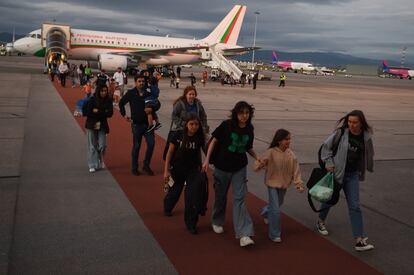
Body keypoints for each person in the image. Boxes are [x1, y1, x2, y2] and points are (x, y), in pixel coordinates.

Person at [202, 101, 260, 247]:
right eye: (241, 113)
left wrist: (258, 157)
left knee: (239, 199)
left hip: (239, 168)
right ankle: (217, 220)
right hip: (222, 167)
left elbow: (248, 147)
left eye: (247, 113)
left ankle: (244, 234)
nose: (244, 116)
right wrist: (207, 160)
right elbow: (213, 141)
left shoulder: (249, 128)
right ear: (236, 113)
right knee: (221, 197)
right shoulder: (226, 125)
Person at [317, 110, 375, 252]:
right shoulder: (341, 133)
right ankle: (320, 221)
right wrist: (328, 163)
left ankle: (359, 240)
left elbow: (369, 152)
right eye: (349, 122)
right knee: (329, 199)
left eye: (355, 122)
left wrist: (368, 166)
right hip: (337, 173)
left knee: (355, 206)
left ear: (361, 122)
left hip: (352, 175)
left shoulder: (366, 136)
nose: (351, 125)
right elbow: (325, 148)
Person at [254, 129, 304, 242]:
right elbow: (258, 164)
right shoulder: (271, 152)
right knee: (276, 209)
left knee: (277, 203)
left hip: (284, 184)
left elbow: (296, 170)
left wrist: (299, 184)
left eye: (289, 139)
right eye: (286, 139)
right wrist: (260, 164)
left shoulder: (291, 155)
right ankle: (275, 234)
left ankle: (266, 212)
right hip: (272, 183)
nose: (288, 141)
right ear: (279, 140)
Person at [163, 113, 206, 234]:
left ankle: (191, 223)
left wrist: (206, 162)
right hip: (177, 168)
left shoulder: (199, 137)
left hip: (193, 170)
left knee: (192, 197)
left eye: (196, 124)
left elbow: (205, 150)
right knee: (175, 191)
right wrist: (166, 170)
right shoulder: (178, 135)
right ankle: (168, 206)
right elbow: (170, 153)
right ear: (186, 124)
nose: (194, 127)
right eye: (191, 124)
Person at [119, 74, 155, 176]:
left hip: (148, 124)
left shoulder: (148, 94)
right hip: (136, 125)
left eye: (143, 81)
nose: (141, 83)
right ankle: (134, 167)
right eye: (139, 81)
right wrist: (124, 114)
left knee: (151, 144)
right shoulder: (131, 93)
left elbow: (156, 104)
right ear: (135, 82)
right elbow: (121, 103)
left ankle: (146, 165)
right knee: (136, 146)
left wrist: (152, 109)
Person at [84, 85, 113, 173]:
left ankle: (100, 158)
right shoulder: (92, 100)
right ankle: (92, 164)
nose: (104, 93)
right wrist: (103, 111)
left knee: (102, 145)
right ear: (98, 91)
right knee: (92, 145)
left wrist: (98, 111)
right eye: (102, 91)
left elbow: (110, 113)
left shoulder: (108, 100)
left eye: (105, 91)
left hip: (102, 125)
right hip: (91, 124)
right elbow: (87, 112)